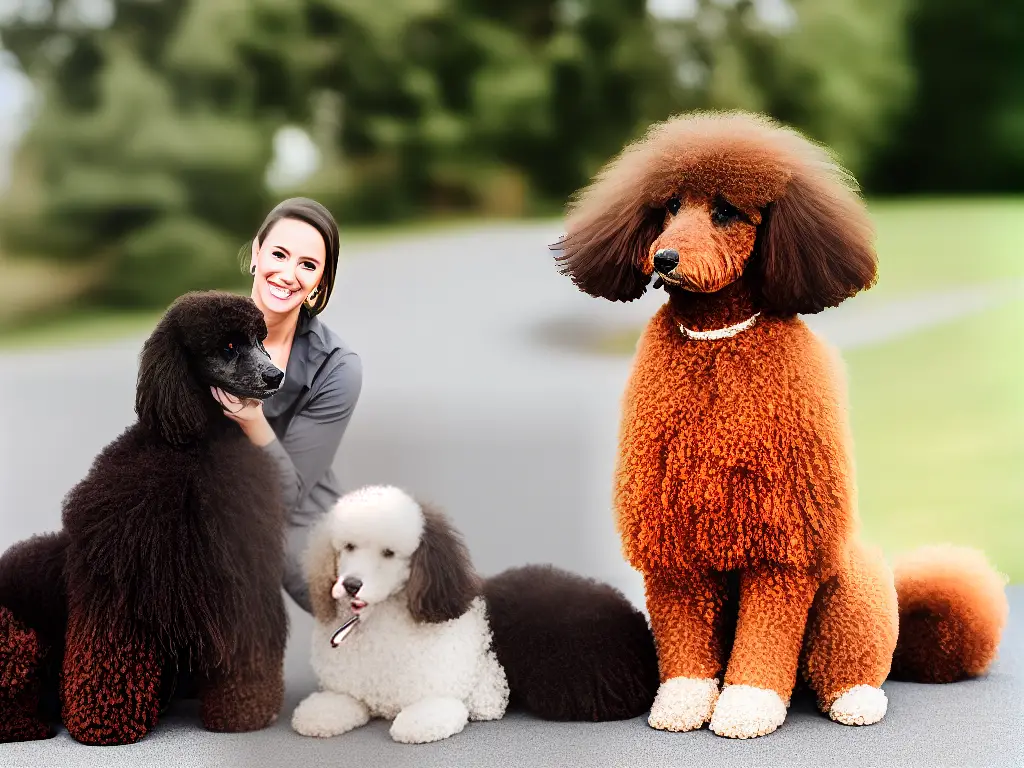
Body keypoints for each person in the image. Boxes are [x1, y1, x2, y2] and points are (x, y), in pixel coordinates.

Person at [211, 197, 362, 614]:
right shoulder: (201, 331)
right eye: (279, 254)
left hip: (295, 507)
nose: (289, 274)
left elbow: (287, 494)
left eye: (308, 265)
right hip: (207, 492)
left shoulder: (337, 366)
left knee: (350, 600)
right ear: (257, 254)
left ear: (321, 281)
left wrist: (252, 418)